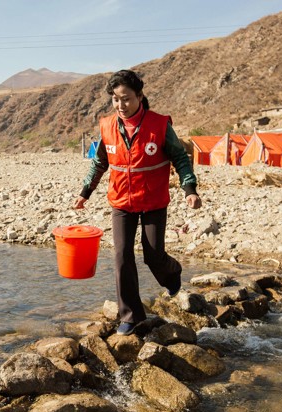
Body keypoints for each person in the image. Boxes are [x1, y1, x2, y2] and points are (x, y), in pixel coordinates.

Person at [73, 69, 202, 336]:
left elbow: (180, 158)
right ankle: (131, 316)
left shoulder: (159, 124)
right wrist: (85, 192)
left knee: (153, 254)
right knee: (122, 256)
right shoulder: (107, 126)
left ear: (140, 97)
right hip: (120, 201)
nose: (121, 105)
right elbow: (100, 163)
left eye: (126, 98)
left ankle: (172, 273)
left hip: (153, 200)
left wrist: (189, 189)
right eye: (115, 99)